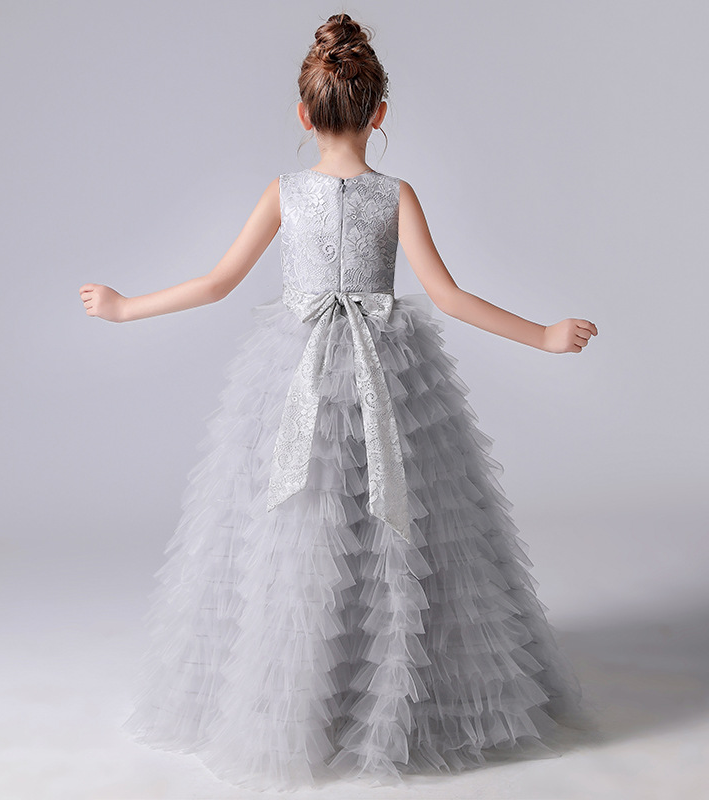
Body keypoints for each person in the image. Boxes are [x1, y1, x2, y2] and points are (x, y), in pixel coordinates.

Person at [79, 11, 599, 793]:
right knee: (392, 518)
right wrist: (544, 336)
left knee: (299, 518)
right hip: (387, 369)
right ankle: (372, 683)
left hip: (295, 367)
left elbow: (217, 283)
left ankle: (306, 694)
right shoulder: (396, 194)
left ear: (304, 114)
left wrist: (126, 308)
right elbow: (449, 297)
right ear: (380, 113)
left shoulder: (285, 193)